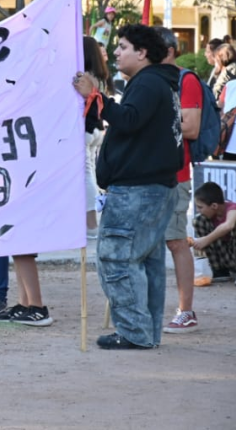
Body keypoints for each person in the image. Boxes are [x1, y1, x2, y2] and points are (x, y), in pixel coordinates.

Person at [74, 23, 182, 349]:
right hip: (152, 187)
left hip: (138, 190)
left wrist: (96, 96)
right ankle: (146, 332)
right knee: (147, 262)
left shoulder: (149, 83)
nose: (116, 53)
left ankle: (135, 332)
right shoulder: (156, 82)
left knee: (117, 258)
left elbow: (129, 120)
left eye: (122, 47)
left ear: (142, 53)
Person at [156, 27, 201, 334]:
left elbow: (192, 127)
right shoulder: (151, 80)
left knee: (175, 241)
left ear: (170, 51)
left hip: (176, 174)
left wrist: (149, 122)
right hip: (149, 174)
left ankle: (186, 310)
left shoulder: (186, 80)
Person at [83, 35, 109, 234]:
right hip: (97, 128)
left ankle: (91, 224)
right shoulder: (100, 76)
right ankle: (91, 223)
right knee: (89, 172)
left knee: (85, 175)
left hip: (86, 129)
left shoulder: (84, 76)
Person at [191, 181, 236, 282]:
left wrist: (206, 240)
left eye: (200, 207)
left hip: (234, 250)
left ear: (214, 206)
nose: (198, 210)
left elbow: (228, 225)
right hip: (226, 256)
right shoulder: (208, 217)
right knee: (198, 220)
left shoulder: (233, 208)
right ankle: (219, 270)